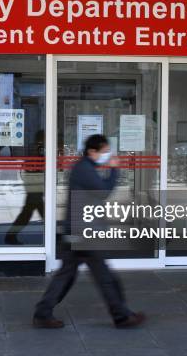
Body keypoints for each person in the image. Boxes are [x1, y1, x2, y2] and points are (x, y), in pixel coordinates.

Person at [33, 134, 145, 329]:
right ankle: (121, 316)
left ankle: (43, 313)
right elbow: (104, 192)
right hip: (84, 233)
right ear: (92, 151)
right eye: (104, 151)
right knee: (105, 277)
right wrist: (113, 169)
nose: (107, 154)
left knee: (66, 275)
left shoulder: (85, 167)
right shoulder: (83, 169)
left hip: (78, 230)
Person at [5, 129, 45, 245]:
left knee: (28, 213)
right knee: (39, 212)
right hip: (34, 184)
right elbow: (33, 166)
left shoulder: (36, 147)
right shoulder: (37, 148)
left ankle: (10, 236)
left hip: (34, 184)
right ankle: (55, 237)